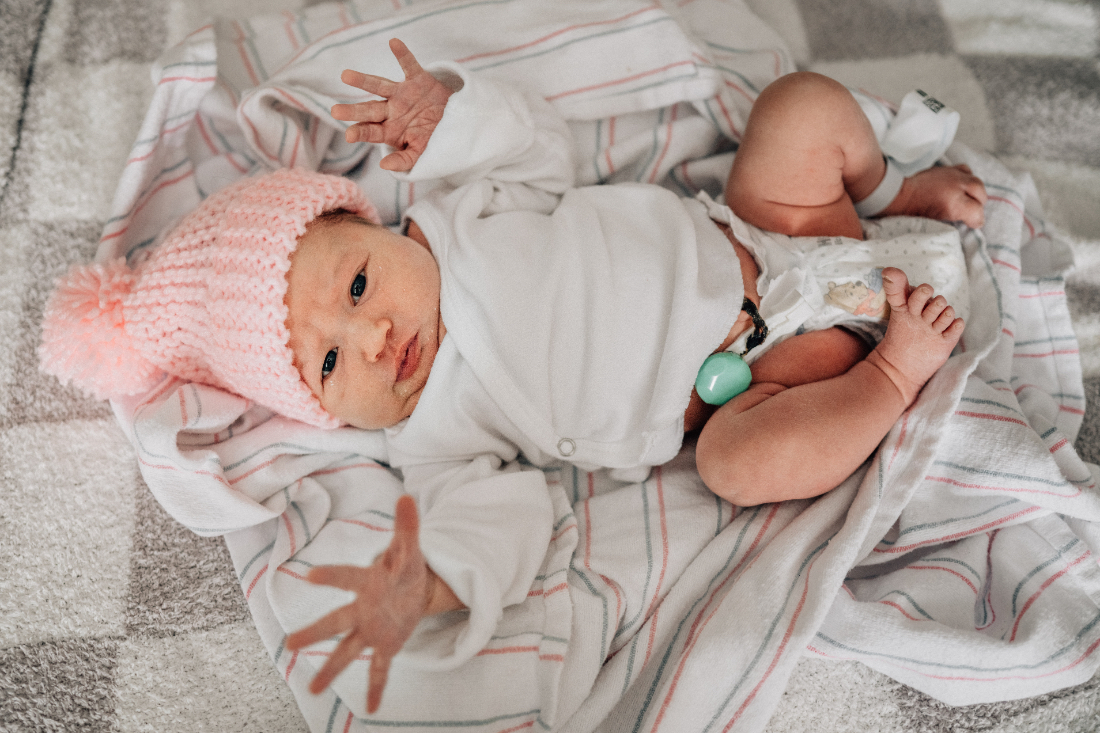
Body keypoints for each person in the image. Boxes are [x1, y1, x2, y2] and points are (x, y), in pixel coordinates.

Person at [38, 39, 985, 714]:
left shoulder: (464, 209)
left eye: (359, 283)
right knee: (739, 467)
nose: (371, 337)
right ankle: (892, 378)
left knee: (800, 108)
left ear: (383, 224)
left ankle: (889, 193)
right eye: (328, 360)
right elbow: (504, 517)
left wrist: (448, 119)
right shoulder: (431, 434)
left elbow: (536, 144)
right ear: (320, 411)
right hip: (762, 375)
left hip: (769, 225)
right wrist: (431, 576)